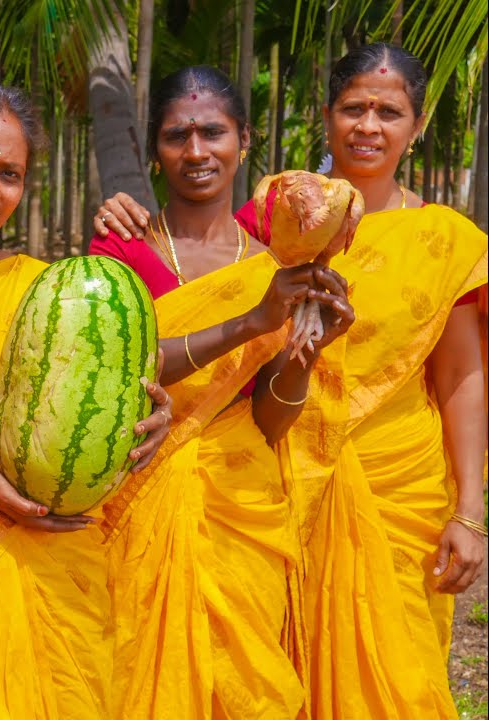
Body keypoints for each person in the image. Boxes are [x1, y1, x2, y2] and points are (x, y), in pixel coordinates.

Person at [94, 45, 488, 718]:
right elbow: (205, 273)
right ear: (328, 116)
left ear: (417, 127)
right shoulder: (273, 216)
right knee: (272, 660)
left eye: (389, 112)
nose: (369, 125)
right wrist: (120, 211)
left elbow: (459, 377)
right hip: (273, 475)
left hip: (398, 489)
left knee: (395, 676)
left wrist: (470, 512)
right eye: (354, 108)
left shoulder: (445, 239)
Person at [87, 65, 359, 719]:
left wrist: (301, 357)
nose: (197, 151)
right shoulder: (120, 246)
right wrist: (248, 323)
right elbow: (107, 371)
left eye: (213, 132)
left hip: (244, 505)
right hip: (136, 490)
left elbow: (271, 420)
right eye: (178, 134)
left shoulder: (279, 260)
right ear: (156, 147)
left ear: (244, 137)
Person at [0, 82, 173, 718]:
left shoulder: (47, 290)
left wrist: (149, 412)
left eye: (9, 173)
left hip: (44, 559)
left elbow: (107, 380)